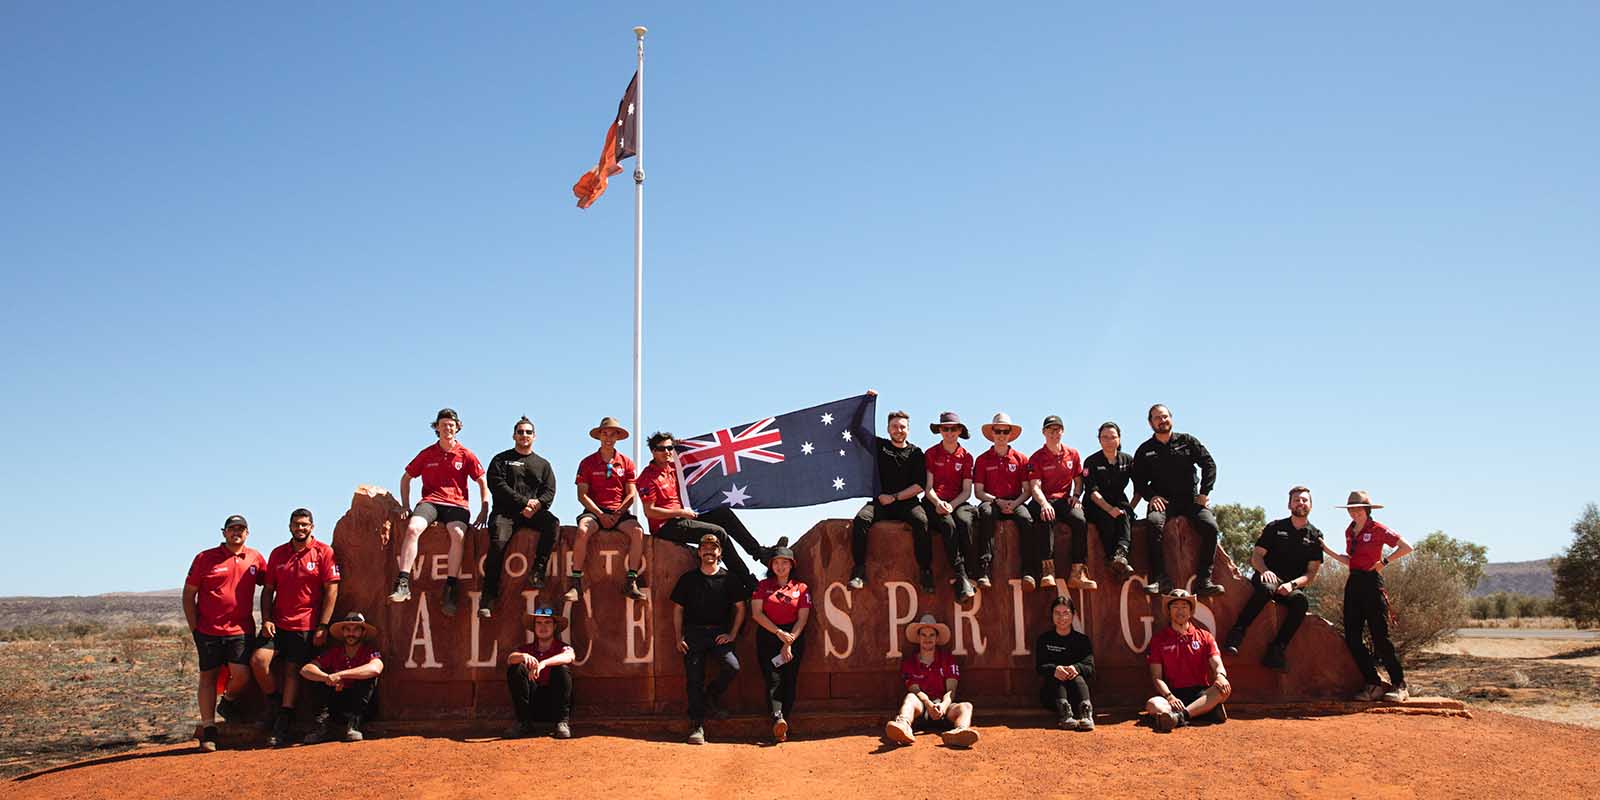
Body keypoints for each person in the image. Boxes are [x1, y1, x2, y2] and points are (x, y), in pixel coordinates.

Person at [638, 431, 769, 593]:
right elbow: (650, 512)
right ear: (653, 451)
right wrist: (680, 512)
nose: (667, 452)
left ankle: (760, 554)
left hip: (685, 515)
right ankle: (747, 581)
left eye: (670, 448)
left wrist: (684, 446)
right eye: (661, 449)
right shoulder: (647, 477)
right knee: (718, 533)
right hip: (666, 525)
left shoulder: (675, 467)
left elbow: (701, 460)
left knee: (723, 513)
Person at [252, 508, 340, 746]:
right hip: (278, 623)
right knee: (259, 661)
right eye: (296, 524)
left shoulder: (323, 552)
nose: (300, 528)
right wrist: (267, 619)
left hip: (306, 623)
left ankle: (284, 718)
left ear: (312, 526)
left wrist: (323, 625)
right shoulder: (278, 554)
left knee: (293, 670)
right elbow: (268, 590)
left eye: (304, 524)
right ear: (289, 526)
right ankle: (273, 701)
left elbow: (331, 589)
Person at [390, 408, 490, 617]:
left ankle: (451, 587)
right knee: (413, 529)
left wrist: (484, 507)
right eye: (443, 425)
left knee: (458, 534)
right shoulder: (427, 454)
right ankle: (403, 582)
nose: (448, 428)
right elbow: (406, 478)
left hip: (457, 505)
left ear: (457, 427)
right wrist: (405, 505)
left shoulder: (466, 454)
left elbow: (482, 481)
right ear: (436, 427)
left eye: (451, 425)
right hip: (431, 502)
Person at [184, 514, 267, 751]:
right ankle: (209, 729)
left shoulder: (255, 558)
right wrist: (195, 628)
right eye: (232, 529)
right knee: (208, 677)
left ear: (247, 533)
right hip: (208, 629)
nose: (236, 533)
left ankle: (227, 702)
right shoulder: (205, 558)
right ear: (224, 533)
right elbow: (189, 594)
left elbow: (272, 584)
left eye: (241, 529)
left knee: (241, 675)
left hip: (240, 629)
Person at [1325, 490, 1414, 702]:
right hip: (1353, 583)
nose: (1354, 512)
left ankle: (1399, 684)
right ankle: (1373, 684)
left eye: (1358, 508)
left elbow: (1407, 547)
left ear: (1367, 509)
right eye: (1351, 509)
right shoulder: (1350, 530)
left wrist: (1384, 562)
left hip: (1372, 583)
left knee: (1380, 636)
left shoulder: (1378, 529)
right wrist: (1327, 550)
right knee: (1352, 637)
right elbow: (1352, 560)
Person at [1223, 486, 1323, 671]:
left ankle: (1277, 650)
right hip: (1267, 578)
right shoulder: (1275, 527)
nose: (1300, 503)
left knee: (1301, 602)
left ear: (1311, 505)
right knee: (1267, 588)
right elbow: (1256, 556)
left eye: (1304, 500)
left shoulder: (1316, 536)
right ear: (1289, 504)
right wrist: (1264, 571)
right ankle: (1237, 632)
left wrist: (1292, 585)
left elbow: (1311, 574)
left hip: (1290, 586)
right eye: (1296, 500)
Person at [1132, 404, 1223, 596]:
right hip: (1163, 503)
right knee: (1153, 523)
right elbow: (1138, 480)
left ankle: (1204, 581)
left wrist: (1204, 493)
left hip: (1191, 500)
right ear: (1150, 423)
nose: (1162, 420)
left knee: (1211, 527)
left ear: (1171, 418)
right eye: (1157, 418)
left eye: (1165, 416)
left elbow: (1209, 464)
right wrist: (1152, 497)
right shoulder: (1145, 450)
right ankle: (1160, 580)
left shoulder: (1187, 441)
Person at [672, 534, 747, 745]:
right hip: (693, 634)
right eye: (704, 547)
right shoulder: (688, 579)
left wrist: (732, 634)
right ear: (699, 552)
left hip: (718, 634)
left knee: (732, 667)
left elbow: (740, 608)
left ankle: (710, 696)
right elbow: (677, 610)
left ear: (719, 553)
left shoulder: (729, 579)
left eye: (713, 548)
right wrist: (678, 637)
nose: (709, 552)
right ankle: (697, 726)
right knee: (694, 679)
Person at [483, 416, 560, 618]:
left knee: (552, 524)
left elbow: (549, 490)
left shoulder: (543, 464)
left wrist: (537, 505)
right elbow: (497, 486)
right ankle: (488, 596)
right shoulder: (501, 459)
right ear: (513, 435)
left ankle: (538, 571)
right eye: (520, 432)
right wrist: (524, 502)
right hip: (505, 513)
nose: (523, 435)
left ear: (534, 436)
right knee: (498, 544)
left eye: (528, 432)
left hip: (533, 513)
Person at [566, 416, 647, 602]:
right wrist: (600, 514)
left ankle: (631, 580)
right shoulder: (587, 462)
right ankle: (576, 583)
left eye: (612, 434)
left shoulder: (626, 462)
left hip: (619, 511)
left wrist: (618, 513)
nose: (608, 437)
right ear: (599, 436)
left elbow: (631, 494)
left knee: (637, 532)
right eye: (605, 433)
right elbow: (582, 495)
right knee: (582, 530)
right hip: (595, 511)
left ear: (618, 436)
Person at [848, 410, 928, 591]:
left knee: (922, 521)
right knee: (861, 520)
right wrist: (866, 402)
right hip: (881, 502)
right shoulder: (879, 446)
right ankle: (859, 571)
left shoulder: (916, 453)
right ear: (888, 429)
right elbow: (856, 429)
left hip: (906, 502)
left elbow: (920, 485)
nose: (898, 430)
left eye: (902, 427)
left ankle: (925, 571)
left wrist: (895, 497)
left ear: (908, 429)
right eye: (894, 426)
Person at [884, 614, 979, 748]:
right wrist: (928, 704)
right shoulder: (909, 663)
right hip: (922, 709)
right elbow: (914, 689)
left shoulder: (948, 660)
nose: (927, 639)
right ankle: (903, 725)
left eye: (931, 635)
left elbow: (951, 690)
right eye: (924, 635)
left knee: (966, 706)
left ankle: (959, 732)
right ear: (918, 638)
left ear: (937, 638)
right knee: (910, 697)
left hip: (943, 709)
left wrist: (943, 706)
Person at [750, 537, 811, 743]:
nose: (780, 566)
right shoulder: (762, 586)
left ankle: (785, 722)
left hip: (793, 637)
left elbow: (803, 617)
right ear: (771, 566)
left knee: (790, 679)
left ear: (792, 565)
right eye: (776, 562)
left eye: (785, 563)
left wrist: (789, 641)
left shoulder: (801, 587)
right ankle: (777, 718)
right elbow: (757, 614)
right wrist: (778, 634)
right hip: (768, 635)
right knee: (773, 678)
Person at [1145, 589, 1232, 732]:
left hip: (1201, 693)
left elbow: (1217, 664)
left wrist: (1221, 676)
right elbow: (1156, 678)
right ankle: (1204, 712)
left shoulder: (1205, 636)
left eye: (1184, 607)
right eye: (1175, 607)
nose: (1180, 611)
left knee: (1222, 690)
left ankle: (1179, 717)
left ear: (1191, 611)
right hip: (1175, 695)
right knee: (1152, 704)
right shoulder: (1158, 640)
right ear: (1169, 611)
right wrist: (1170, 696)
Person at [1027, 415, 1095, 591]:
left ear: (1063, 432)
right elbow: (1035, 487)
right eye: (1050, 429)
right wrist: (1044, 504)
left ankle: (1077, 572)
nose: (1054, 433)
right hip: (1042, 499)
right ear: (1043, 432)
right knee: (1045, 517)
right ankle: (1047, 570)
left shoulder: (1072, 453)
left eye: (1057, 429)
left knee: (1080, 520)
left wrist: (1077, 495)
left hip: (1064, 500)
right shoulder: (1036, 457)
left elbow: (1078, 480)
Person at [300, 612, 384, 743]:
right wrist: (327, 678)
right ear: (343, 632)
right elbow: (306, 670)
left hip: (363, 707)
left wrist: (340, 674)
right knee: (318, 680)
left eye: (356, 629)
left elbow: (375, 668)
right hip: (337, 703)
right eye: (348, 629)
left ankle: (354, 726)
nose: (351, 633)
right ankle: (322, 727)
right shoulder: (334, 652)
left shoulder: (369, 652)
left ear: (362, 633)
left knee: (367, 680)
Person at [972, 413, 1032, 590]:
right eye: (998, 431)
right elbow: (978, 492)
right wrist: (997, 501)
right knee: (986, 513)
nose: (1001, 435)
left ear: (1010, 434)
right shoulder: (982, 460)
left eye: (1005, 431)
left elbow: (1027, 491)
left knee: (1027, 520)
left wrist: (1014, 504)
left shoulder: (1021, 459)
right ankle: (984, 570)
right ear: (992, 433)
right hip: (992, 501)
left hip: (1016, 501)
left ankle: (1028, 571)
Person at [922, 411, 976, 602]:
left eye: (954, 429)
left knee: (965, 521)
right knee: (949, 525)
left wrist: (951, 506)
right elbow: (928, 488)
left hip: (957, 501)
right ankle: (961, 576)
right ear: (940, 431)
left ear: (960, 431)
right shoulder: (930, 453)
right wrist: (938, 503)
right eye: (945, 429)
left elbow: (967, 491)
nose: (950, 432)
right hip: (933, 501)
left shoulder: (967, 457)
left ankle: (972, 571)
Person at [504, 607, 576, 739]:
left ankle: (562, 723)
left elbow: (569, 657)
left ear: (554, 627)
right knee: (515, 668)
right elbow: (510, 658)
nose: (543, 626)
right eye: (539, 623)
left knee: (562, 669)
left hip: (555, 705)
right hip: (532, 705)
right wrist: (522, 656)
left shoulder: (562, 647)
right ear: (534, 627)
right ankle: (523, 723)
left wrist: (544, 663)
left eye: (547, 622)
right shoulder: (526, 649)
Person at [1081, 421, 1139, 581]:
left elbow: (1139, 486)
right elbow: (1091, 492)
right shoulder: (1091, 461)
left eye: (1113, 437)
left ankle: (1121, 554)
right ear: (1099, 439)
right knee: (1107, 518)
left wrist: (1130, 508)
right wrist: (1109, 509)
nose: (1109, 440)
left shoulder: (1127, 460)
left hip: (1119, 498)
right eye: (1104, 437)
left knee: (1125, 514)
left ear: (1119, 439)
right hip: (1095, 502)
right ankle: (1113, 559)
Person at [1035, 595, 1096, 730]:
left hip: (1077, 696)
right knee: (1057, 677)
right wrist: (1055, 669)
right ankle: (1065, 715)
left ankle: (1086, 714)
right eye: (1057, 613)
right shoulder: (1044, 639)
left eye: (1066, 613)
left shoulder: (1082, 640)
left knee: (1077, 677)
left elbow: (1090, 668)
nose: (1061, 617)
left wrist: (1076, 668)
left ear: (1073, 615)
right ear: (1052, 615)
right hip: (1052, 696)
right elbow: (1039, 667)